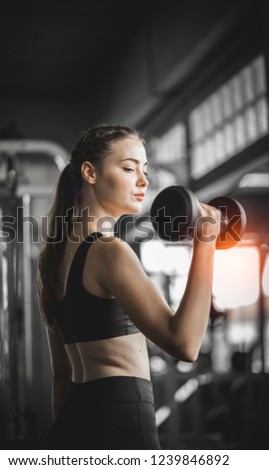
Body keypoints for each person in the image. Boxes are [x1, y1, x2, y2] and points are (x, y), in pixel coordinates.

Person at [37, 124, 221, 450]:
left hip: (71, 423)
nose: (143, 181)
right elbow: (186, 344)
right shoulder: (110, 251)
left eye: (145, 170)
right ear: (90, 173)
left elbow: (62, 374)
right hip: (121, 422)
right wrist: (205, 244)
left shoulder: (52, 258)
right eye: (128, 168)